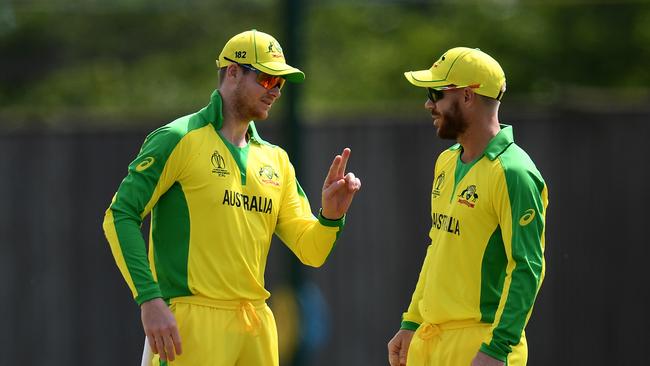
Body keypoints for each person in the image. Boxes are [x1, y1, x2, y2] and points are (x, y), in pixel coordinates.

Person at [102, 29, 361, 366]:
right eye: (268, 80)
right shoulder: (177, 138)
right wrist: (150, 301)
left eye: (281, 84)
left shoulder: (276, 160)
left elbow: (311, 251)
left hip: (256, 324)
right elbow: (120, 215)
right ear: (233, 72)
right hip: (192, 321)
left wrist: (330, 216)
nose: (275, 92)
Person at [387, 47, 548, 366]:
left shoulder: (514, 172)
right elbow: (438, 247)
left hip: (482, 346)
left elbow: (527, 268)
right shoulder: (446, 162)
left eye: (436, 93)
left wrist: (497, 349)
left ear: (467, 96)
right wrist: (412, 321)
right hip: (432, 341)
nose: (428, 104)